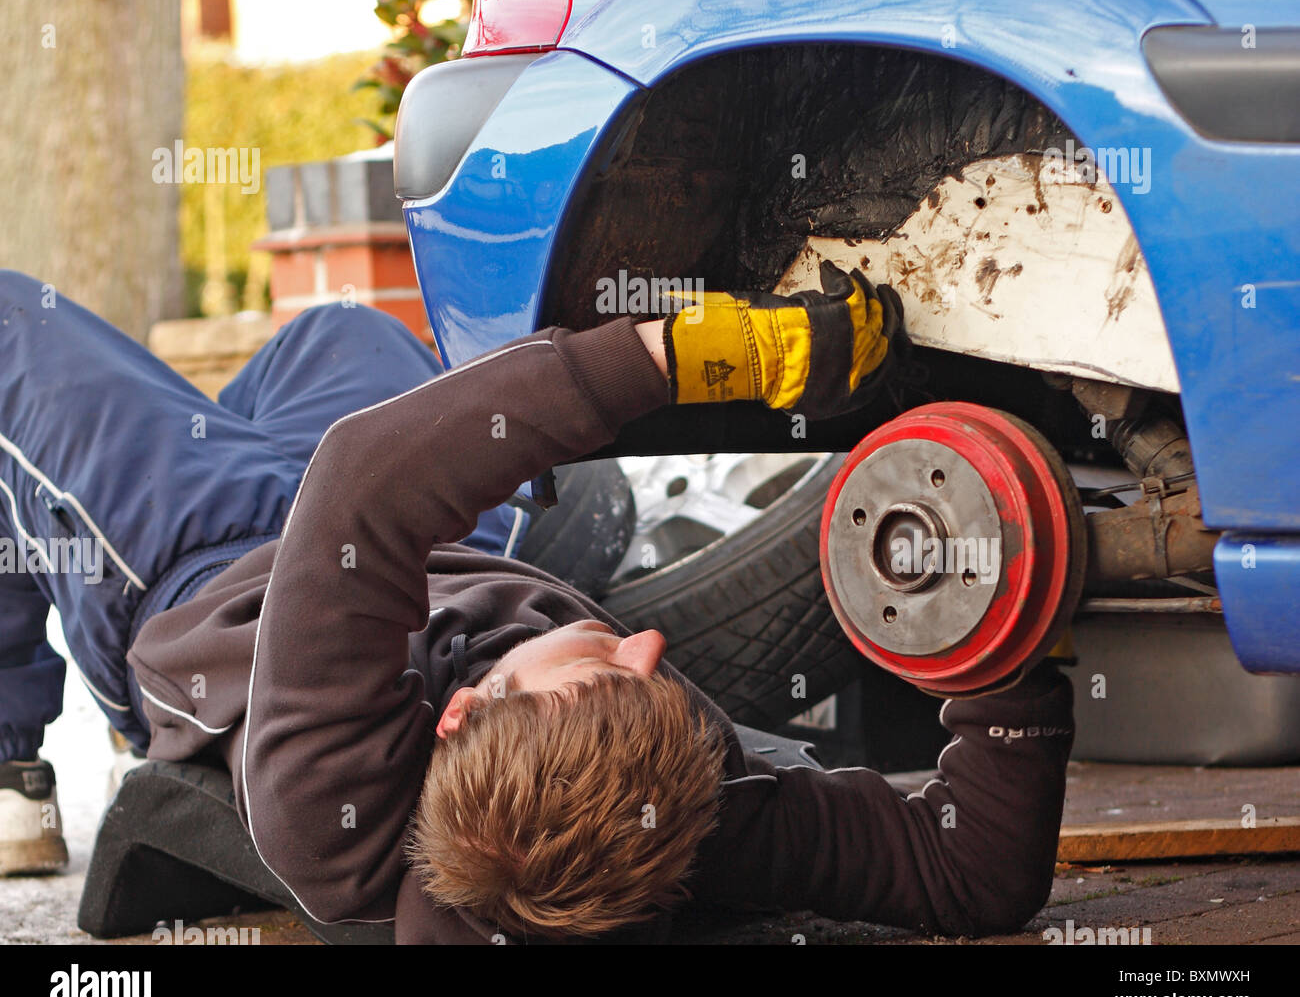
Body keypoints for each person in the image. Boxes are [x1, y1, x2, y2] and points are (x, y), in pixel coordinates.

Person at [0, 264, 1074, 943]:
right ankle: (194, 422)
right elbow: (966, 872)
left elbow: (365, 484)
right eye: (654, 683)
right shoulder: (694, 806)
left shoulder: (332, 806)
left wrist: (686, 355)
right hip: (447, 533)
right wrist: (1008, 633)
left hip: (202, 562)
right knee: (342, 331)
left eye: (605, 664)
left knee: (12, 326)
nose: (651, 642)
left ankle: (9, 764)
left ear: (460, 712)